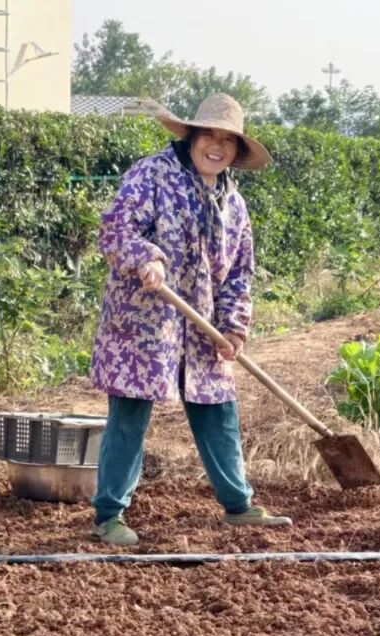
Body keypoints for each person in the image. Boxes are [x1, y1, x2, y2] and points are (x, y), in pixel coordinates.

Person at [89, 93, 291, 546]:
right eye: (210, 136)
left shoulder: (233, 204)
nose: (216, 147)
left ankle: (238, 506)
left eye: (228, 141)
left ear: (236, 152)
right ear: (193, 136)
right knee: (130, 412)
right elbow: (115, 230)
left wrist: (235, 326)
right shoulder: (152, 175)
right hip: (144, 323)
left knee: (218, 409)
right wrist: (145, 256)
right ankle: (109, 515)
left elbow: (240, 274)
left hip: (202, 323)